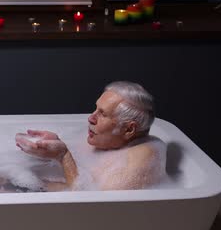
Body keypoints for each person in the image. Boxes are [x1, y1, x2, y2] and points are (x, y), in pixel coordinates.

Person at [15, 81, 166, 191]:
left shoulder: (142, 158)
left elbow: (95, 207)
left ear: (128, 130)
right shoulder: (105, 141)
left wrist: (63, 156)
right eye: (96, 109)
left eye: (103, 114)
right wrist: (54, 145)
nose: (91, 118)